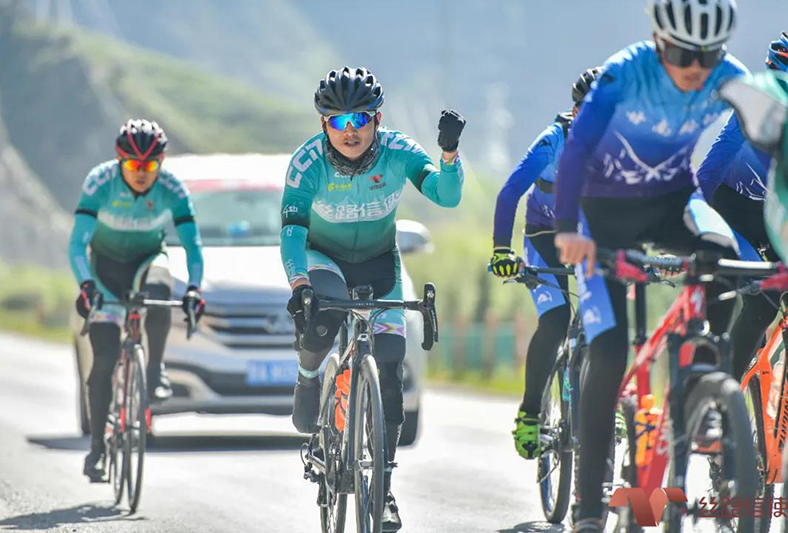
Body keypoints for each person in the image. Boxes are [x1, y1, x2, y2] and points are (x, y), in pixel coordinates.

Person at [551, 1, 745, 530]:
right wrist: (566, 229)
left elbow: (774, 135)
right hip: (603, 217)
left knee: (727, 257)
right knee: (609, 354)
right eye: (684, 54)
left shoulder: (730, 77)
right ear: (660, 41)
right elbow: (576, 149)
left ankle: (704, 376)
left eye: (709, 54)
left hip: (671, 204)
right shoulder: (623, 73)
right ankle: (590, 506)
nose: (697, 67)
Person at [280, 66, 466, 531]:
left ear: (377, 119)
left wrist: (448, 155)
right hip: (324, 258)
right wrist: (300, 285)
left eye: (360, 119)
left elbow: (445, 196)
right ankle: (309, 377)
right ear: (324, 124)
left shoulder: (398, 152)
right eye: (339, 121)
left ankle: (383, 490)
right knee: (323, 317)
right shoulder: (307, 163)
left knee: (390, 364)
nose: (351, 131)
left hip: (380, 263)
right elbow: (292, 233)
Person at [68, 119, 205, 481]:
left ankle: (156, 368)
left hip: (147, 262)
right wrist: (86, 285)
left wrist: (194, 287)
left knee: (160, 285)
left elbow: (192, 245)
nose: (142, 172)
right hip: (105, 271)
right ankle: (97, 449)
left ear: (162, 162)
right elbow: (77, 243)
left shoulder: (172, 188)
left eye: (150, 165)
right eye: (133, 164)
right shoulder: (99, 183)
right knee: (104, 360)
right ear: (119, 161)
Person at [489, 67, 602, 460]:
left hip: (593, 239)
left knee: (605, 320)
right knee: (555, 320)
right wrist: (502, 250)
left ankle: (607, 401)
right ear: (576, 111)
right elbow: (509, 193)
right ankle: (531, 413)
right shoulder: (552, 140)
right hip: (545, 236)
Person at [697, 33, 788, 381]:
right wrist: (691, 229)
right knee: (764, 299)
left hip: (770, 216)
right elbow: (707, 175)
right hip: (729, 211)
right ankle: (725, 393)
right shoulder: (746, 119)